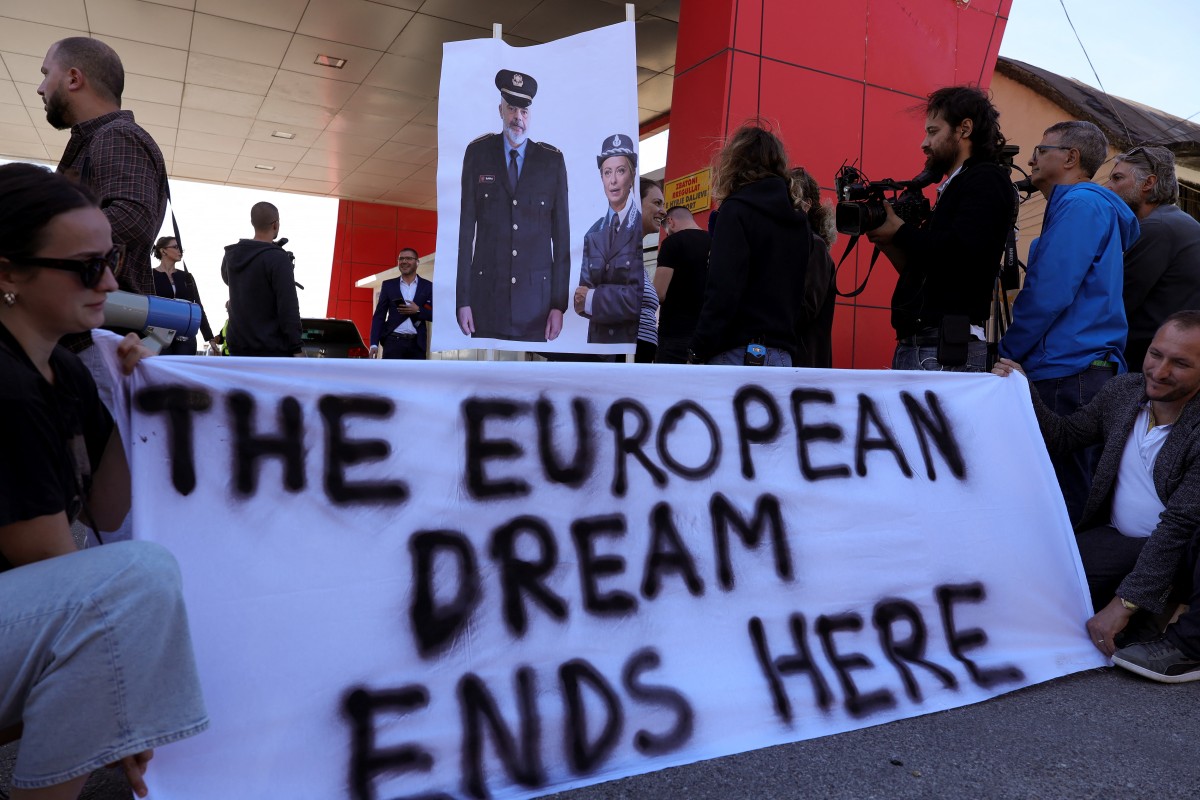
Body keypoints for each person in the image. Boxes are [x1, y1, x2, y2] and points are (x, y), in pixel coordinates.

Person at [0, 162, 208, 798]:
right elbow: (69, 584)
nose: (111, 282)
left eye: (111, 259)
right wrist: (124, 695)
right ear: (8, 272)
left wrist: (127, 395)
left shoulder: (61, 368)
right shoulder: (7, 389)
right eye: (87, 267)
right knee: (134, 584)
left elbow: (108, 509)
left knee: (133, 582)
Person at [992, 311, 1200, 683]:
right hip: (1122, 540)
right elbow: (1064, 437)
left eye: (1180, 363)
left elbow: (1180, 523)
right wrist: (1023, 391)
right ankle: (1155, 605)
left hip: (1184, 548)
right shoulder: (1123, 392)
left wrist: (1124, 603)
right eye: (1156, 354)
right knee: (1036, 589)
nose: (1160, 370)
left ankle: (1187, 641)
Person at [999, 120, 1139, 524]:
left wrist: (1007, 351)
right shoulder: (1083, 206)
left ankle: (1071, 588)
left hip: (1068, 370)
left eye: (1042, 150)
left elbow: (1049, 292)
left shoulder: (1080, 204)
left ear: (1071, 158)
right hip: (1079, 369)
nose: (1031, 158)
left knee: (1062, 505)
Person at [865, 85, 1015, 372]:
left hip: (943, 349)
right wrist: (889, 240)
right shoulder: (960, 184)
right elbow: (932, 272)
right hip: (925, 344)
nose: (924, 143)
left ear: (964, 129)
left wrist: (902, 231)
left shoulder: (985, 180)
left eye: (933, 131)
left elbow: (959, 253)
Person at [38, 37, 167, 301]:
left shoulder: (115, 134)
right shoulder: (103, 137)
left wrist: (32, 238)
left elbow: (131, 219)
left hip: (100, 327)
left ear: (73, 78)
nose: (40, 88)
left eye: (46, 74)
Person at [456, 69, 569, 343]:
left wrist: (558, 305)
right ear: (500, 110)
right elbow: (465, 233)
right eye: (512, 108)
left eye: (524, 111)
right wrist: (463, 300)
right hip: (487, 302)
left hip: (536, 307)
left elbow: (562, 238)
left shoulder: (551, 161)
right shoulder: (477, 153)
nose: (518, 117)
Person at [688, 123, 809, 367]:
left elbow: (724, 288)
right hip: (782, 354)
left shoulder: (736, 211)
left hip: (737, 353)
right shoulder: (799, 222)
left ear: (734, 163)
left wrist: (697, 348)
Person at [1105, 145, 1200, 373]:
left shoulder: (1157, 227)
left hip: (1152, 366)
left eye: (1117, 178)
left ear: (1148, 183)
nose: (1108, 187)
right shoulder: (1173, 221)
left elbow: (1116, 303)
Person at [574, 134, 644, 345]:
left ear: (632, 176)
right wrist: (612, 298)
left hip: (628, 345)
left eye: (620, 171)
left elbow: (636, 300)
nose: (613, 180)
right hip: (597, 346)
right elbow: (579, 303)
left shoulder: (640, 227)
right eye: (607, 172)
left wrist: (594, 298)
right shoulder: (593, 234)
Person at [220, 202, 303, 357]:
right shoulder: (278, 258)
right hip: (271, 351)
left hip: (238, 348)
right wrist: (296, 347)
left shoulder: (232, 256)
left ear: (253, 223)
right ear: (276, 225)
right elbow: (288, 306)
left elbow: (231, 283)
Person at [791, 166, 837, 368]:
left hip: (804, 363)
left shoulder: (815, 246)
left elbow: (807, 307)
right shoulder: (804, 244)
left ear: (807, 205)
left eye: (790, 198)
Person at [653, 205, 711, 364]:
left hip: (675, 334)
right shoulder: (716, 242)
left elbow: (659, 293)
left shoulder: (671, 243)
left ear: (670, 221)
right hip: (708, 334)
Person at [151, 236, 217, 355]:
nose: (179, 251)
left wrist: (210, 338)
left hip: (185, 335)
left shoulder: (187, 277)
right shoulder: (151, 276)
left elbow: (198, 307)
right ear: (163, 250)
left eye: (180, 248)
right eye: (176, 247)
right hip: (159, 335)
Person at [369, 248, 433, 360]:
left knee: (415, 377)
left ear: (417, 262)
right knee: (390, 377)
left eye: (408, 258)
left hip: (417, 344)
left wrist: (418, 310)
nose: (404, 261)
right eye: (401, 259)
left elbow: (435, 315)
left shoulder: (428, 286)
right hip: (392, 343)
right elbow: (379, 316)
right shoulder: (388, 285)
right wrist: (374, 344)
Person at [636, 179, 664, 363]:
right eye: (657, 203)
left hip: (640, 355)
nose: (663, 210)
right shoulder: (614, 250)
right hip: (623, 357)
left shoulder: (635, 253)